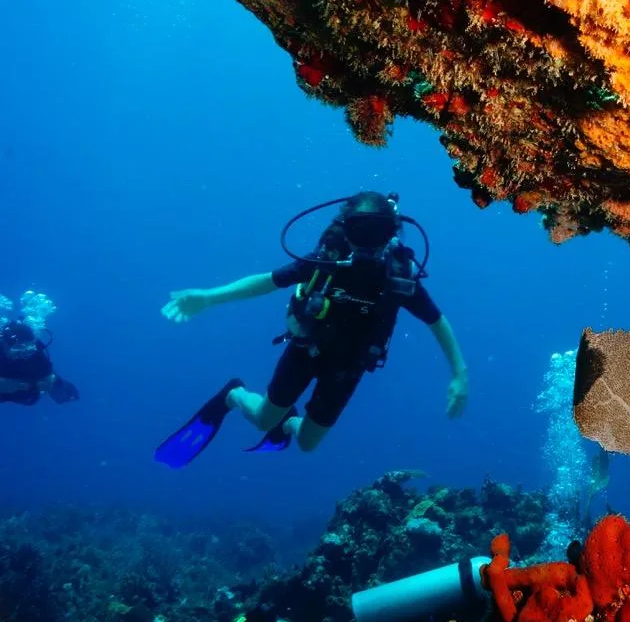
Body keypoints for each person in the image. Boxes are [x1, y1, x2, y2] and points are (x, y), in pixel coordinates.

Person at [155, 191, 469, 468]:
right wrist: (209, 297)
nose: (367, 245)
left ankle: (289, 422)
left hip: (349, 368)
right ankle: (233, 394)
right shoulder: (326, 261)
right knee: (264, 419)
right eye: (359, 233)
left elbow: (436, 321)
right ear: (346, 231)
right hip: (306, 350)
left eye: (378, 234)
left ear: (391, 234)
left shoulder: (398, 278)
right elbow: (268, 281)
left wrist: (459, 373)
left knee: (306, 443)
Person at [0, 320, 79, 405]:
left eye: (29, 347)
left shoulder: (35, 353)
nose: (24, 354)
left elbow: (47, 375)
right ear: (4, 345)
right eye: (19, 348)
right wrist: (29, 386)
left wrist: (53, 382)